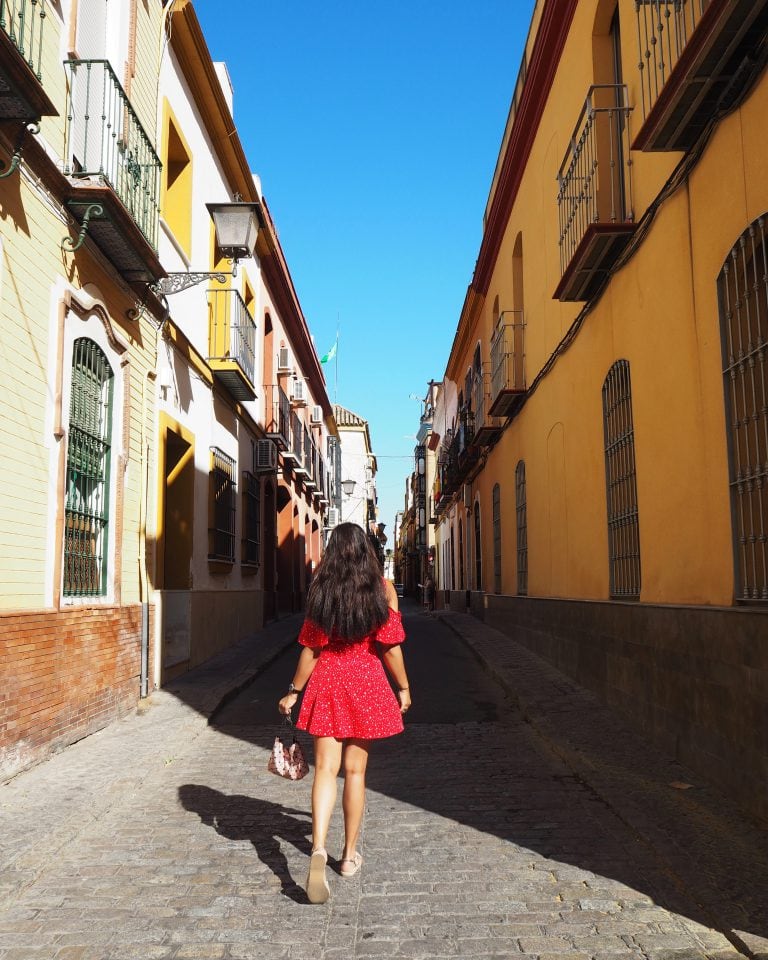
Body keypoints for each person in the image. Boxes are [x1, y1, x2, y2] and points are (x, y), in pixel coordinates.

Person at [278, 522, 411, 904]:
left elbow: (311, 649)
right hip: (366, 682)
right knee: (355, 772)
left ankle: (318, 847)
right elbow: (390, 647)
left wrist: (293, 691)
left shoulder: (322, 590)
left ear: (332, 552)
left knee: (325, 770)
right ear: (366, 551)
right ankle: (349, 857)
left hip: (329, 682)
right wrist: (403, 687)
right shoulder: (382, 590)